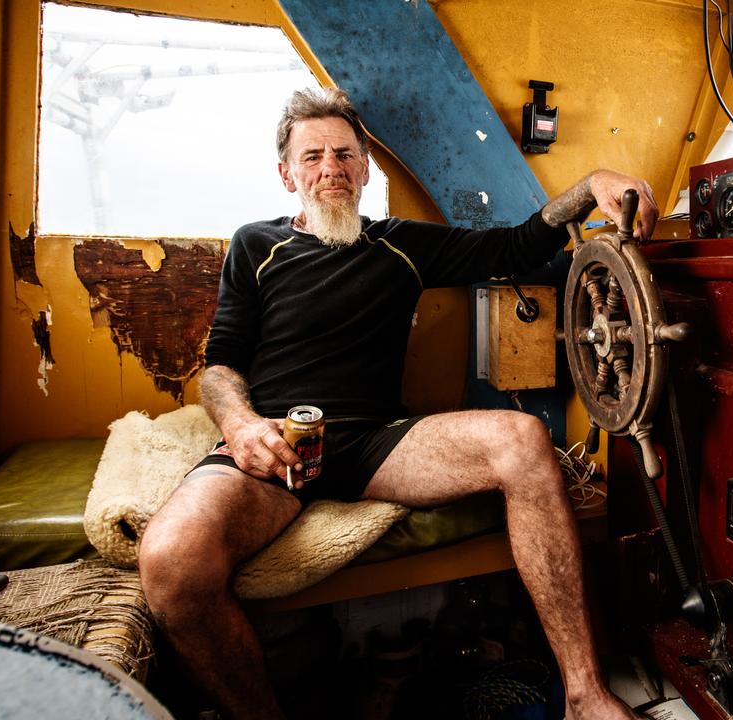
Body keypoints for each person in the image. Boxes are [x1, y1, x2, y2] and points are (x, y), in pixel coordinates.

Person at [138, 86, 658, 720]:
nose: (329, 168)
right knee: (169, 563)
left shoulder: (402, 244)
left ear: (364, 168)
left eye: (343, 154)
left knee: (522, 439)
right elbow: (219, 366)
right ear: (286, 174)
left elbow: (518, 245)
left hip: (378, 443)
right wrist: (242, 426)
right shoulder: (255, 245)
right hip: (276, 444)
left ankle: (585, 694)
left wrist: (590, 184)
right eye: (312, 157)